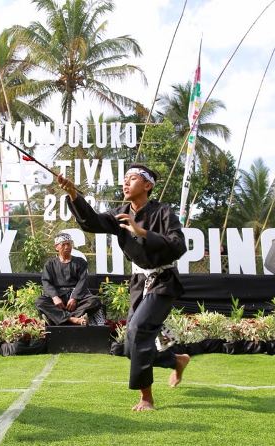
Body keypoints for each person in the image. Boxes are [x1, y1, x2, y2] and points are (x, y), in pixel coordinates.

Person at [58, 163, 191, 412]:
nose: (125, 183)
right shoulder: (119, 214)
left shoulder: (163, 212)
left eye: (132, 179)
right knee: (130, 347)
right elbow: (92, 222)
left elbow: (179, 246)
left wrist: (141, 231)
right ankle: (175, 360)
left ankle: (146, 398)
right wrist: (74, 194)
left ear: (148, 185)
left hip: (163, 281)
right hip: (139, 283)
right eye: (125, 179)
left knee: (139, 329)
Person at [35, 233, 102, 326]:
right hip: (58, 298)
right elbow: (46, 281)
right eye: (63, 244)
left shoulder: (80, 262)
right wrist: (55, 297)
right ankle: (74, 319)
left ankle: (60, 318)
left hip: (76, 297)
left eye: (69, 244)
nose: (67, 247)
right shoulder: (50, 264)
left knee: (95, 301)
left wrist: (74, 297)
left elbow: (83, 281)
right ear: (56, 247)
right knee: (40, 302)